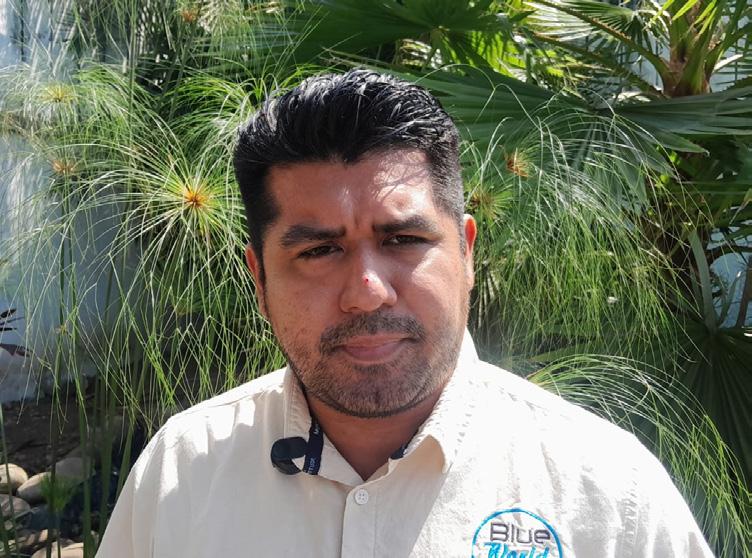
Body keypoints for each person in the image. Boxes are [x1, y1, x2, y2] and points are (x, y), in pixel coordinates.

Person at [96, 70, 713, 558]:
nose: (367, 292)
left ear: (467, 253)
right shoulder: (180, 476)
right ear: (259, 279)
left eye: (403, 240)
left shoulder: (609, 493)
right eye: (318, 251)